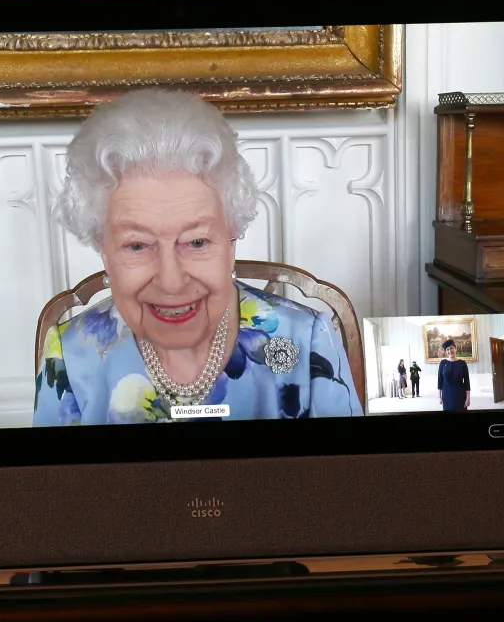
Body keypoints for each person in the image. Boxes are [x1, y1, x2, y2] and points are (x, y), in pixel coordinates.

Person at [33, 88, 364, 425]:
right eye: (137, 246)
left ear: (231, 240)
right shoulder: (70, 358)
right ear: (103, 249)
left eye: (196, 242)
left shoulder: (306, 342)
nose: (172, 283)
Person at [437, 338, 470, 411]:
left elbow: (467, 382)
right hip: (447, 395)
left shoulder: (462, 363)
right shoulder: (443, 363)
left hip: (460, 394)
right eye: (447, 349)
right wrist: (439, 396)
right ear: (446, 351)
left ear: (455, 348)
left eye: (451, 348)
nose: (449, 351)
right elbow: (440, 381)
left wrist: (468, 398)